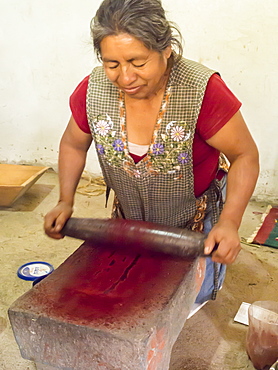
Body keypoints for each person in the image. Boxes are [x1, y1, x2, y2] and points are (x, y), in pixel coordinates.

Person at [44, 0, 259, 306]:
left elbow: (245, 156)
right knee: (136, 296)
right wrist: (65, 200)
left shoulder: (201, 90)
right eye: (112, 64)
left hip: (193, 224)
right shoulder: (93, 90)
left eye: (138, 62)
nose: (126, 78)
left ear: (166, 49)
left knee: (186, 300)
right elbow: (73, 144)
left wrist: (230, 223)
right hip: (130, 220)